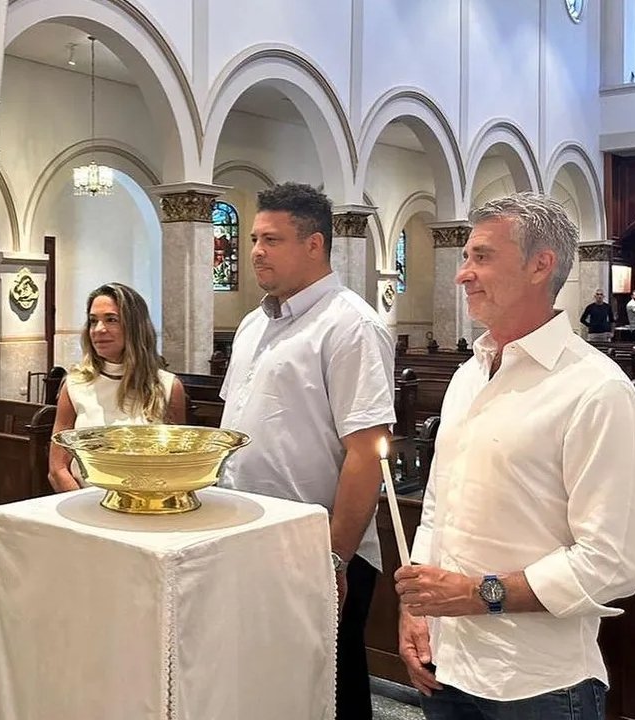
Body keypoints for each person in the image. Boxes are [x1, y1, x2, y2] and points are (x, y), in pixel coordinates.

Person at [395, 193, 635, 720]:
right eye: (464, 257)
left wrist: (481, 594)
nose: (463, 274)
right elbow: (438, 505)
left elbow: (613, 562)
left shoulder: (596, 390)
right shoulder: (468, 373)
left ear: (540, 265)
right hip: (448, 662)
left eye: (481, 256)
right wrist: (417, 607)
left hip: (538, 681)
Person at [217, 182, 396, 720]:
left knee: (330, 687)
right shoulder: (254, 324)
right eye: (252, 238)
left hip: (315, 545)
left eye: (270, 239)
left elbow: (367, 453)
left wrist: (333, 558)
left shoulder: (351, 325)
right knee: (266, 682)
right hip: (249, 532)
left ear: (314, 244)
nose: (255, 252)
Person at [48, 282, 186, 492]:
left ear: (134, 326)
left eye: (111, 320)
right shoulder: (74, 385)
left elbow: (178, 466)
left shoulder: (168, 387)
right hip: (86, 506)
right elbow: (58, 469)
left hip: (147, 506)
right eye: (93, 321)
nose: (99, 330)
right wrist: (86, 508)